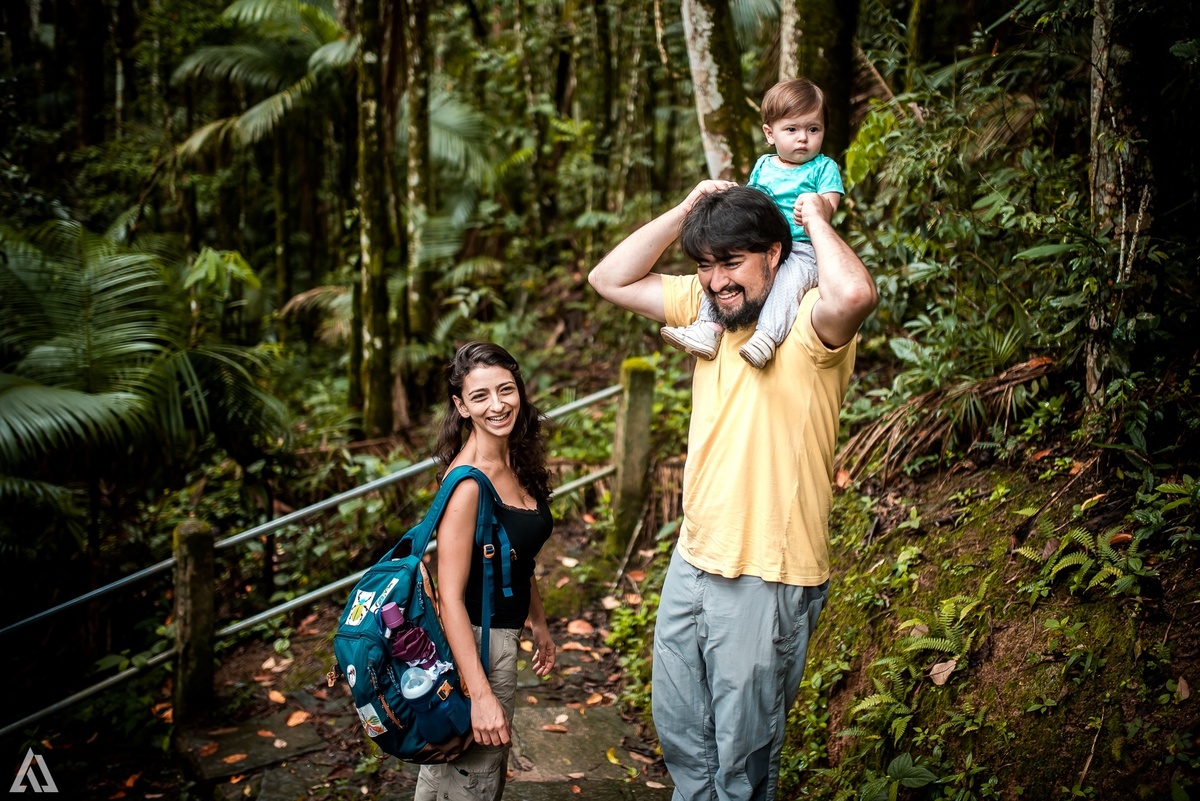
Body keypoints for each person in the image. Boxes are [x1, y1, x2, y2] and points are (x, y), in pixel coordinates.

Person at [588, 183, 877, 801]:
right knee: (684, 737)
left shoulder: (808, 320)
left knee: (743, 761)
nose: (716, 280)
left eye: (732, 262)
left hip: (767, 573)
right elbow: (608, 278)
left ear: (775, 255)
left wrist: (816, 218)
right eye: (705, 264)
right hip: (693, 559)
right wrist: (686, 209)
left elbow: (855, 293)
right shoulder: (708, 312)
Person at [414, 341, 557, 801]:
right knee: (471, 781)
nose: (498, 405)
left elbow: (517, 555)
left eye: (506, 389)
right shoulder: (467, 483)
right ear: (461, 405)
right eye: (481, 396)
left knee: (469, 778)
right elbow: (448, 597)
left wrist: (539, 622)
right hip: (475, 644)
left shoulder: (512, 457)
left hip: (502, 633)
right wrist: (478, 694)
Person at [660, 78, 845, 368]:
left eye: (813, 129)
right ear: (770, 134)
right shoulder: (763, 165)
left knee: (789, 282)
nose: (803, 138)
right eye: (792, 129)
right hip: (758, 243)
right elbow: (751, 202)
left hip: (801, 247)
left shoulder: (824, 167)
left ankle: (766, 338)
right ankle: (708, 328)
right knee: (722, 274)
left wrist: (816, 206)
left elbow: (829, 205)